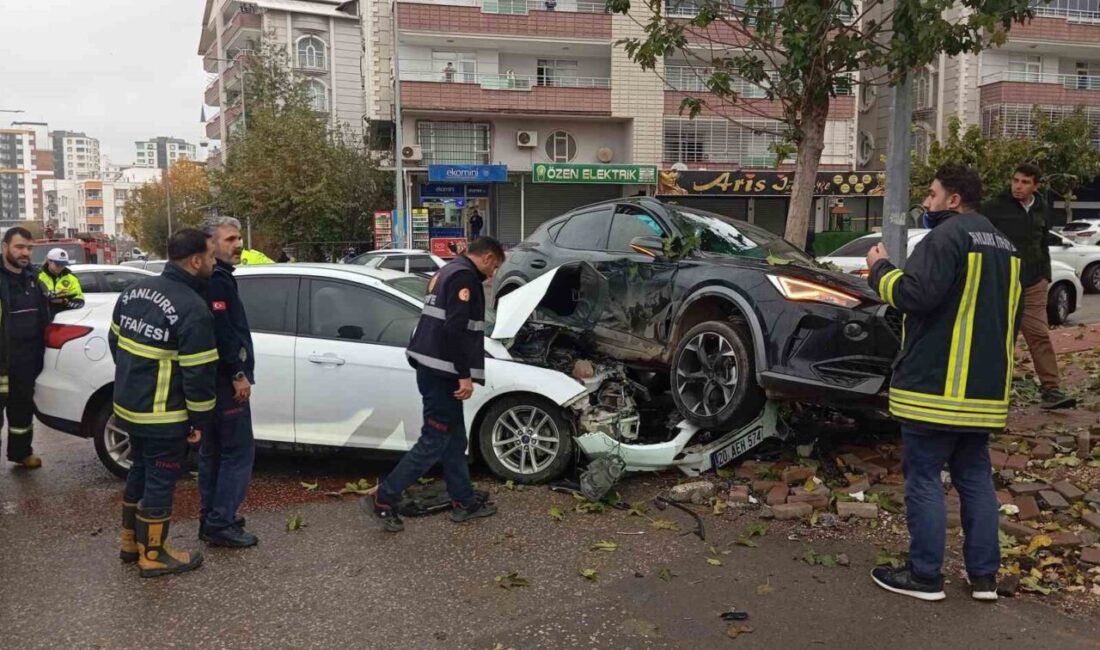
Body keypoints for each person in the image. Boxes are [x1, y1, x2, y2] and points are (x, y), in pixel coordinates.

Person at [866, 164, 1021, 602]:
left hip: (935, 389)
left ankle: (925, 575)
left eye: (932, 195)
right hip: (985, 394)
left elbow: (914, 297)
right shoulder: (1007, 248)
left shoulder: (946, 238)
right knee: (975, 479)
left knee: (924, 479)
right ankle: (984, 578)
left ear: (954, 200)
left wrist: (880, 269)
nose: (928, 203)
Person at [364, 236, 505, 532]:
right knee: (434, 440)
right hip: (443, 372)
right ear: (489, 257)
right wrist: (464, 375)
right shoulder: (464, 276)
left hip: (433, 367)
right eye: (495, 266)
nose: (493, 273)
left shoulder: (447, 271)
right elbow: (455, 328)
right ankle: (384, 497)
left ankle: (463, 500)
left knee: (454, 439)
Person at [110, 228, 218, 578]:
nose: (215, 263)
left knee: (139, 469)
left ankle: (130, 543)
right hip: (163, 414)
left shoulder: (133, 292)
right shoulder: (192, 307)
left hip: (128, 406)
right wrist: (199, 422)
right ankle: (154, 554)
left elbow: (116, 342)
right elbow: (199, 374)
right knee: (161, 478)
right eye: (212, 257)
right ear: (196, 260)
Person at [982, 163, 1074, 410]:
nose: (1018, 186)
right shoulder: (994, 207)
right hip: (1003, 283)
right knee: (1002, 339)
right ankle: (992, 391)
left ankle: (1051, 390)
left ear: (1035, 185)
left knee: (1039, 335)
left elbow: (1043, 242)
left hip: (1034, 282)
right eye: (1015, 180)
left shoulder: (1042, 207)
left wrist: (1045, 275)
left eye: (1024, 182)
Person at [197, 217, 258, 548]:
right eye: (230, 239)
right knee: (237, 453)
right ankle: (221, 522)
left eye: (239, 238)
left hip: (211, 382)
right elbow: (222, 331)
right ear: (211, 244)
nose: (238, 244)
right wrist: (237, 373)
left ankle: (211, 518)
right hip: (224, 382)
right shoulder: (217, 281)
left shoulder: (213, 278)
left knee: (213, 452)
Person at [0, 227, 50, 469]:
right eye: (19, 247)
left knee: (22, 410)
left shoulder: (34, 277)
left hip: (27, 360)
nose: (25, 253)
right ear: (4, 247)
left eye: (29, 248)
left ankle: (21, 453)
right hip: (1, 360)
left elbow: (43, 315)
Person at [38, 247, 85, 317]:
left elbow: (79, 298)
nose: (61, 267)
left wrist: (69, 301)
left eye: (63, 264)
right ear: (49, 261)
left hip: (64, 318)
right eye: (57, 264)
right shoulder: (38, 276)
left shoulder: (71, 278)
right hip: (42, 317)